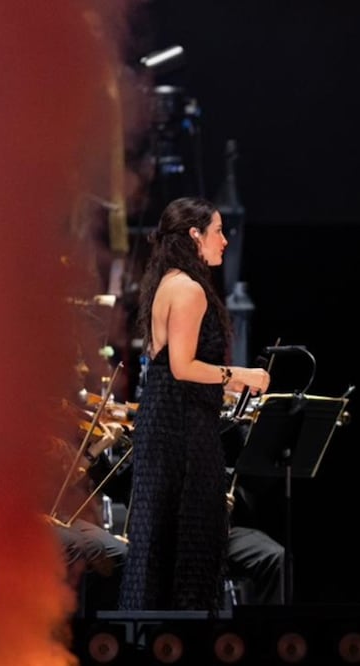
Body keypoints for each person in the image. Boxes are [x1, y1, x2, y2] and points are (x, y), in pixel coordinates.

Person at [119, 197, 271, 612]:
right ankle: (186, 635)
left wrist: (223, 390)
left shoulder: (166, 281)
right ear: (194, 235)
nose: (224, 240)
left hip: (166, 423)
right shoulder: (188, 289)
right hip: (182, 434)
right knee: (193, 540)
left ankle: (155, 637)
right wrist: (240, 376)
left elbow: (168, 371)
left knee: (159, 542)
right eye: (218, 231)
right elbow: (184, 367)